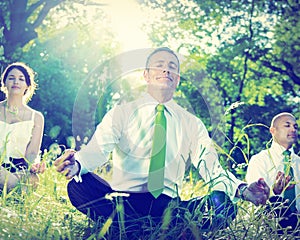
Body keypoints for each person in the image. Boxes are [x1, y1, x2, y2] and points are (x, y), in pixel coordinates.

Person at [55, 47, 269, 237]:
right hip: (124, 201)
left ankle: (135, 229)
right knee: (78, 186)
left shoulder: (192, 123)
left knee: (224, 206)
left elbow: (210, 167)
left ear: (177, 79)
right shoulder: (121, 113)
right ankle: (154, 230)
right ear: (146, 75)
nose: (166, 70)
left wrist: (242, 189)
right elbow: (98, 149)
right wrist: (76, 164)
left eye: (172, 67)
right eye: (159, 65)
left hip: (169, 206)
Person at [246, 112, 299, 233]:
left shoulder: (299, 163)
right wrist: (275, 192)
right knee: (276, 202)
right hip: (268, 226)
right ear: (273, 130)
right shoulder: (259, 160)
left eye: (295, 127)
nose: (293, 129)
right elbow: (256, 200)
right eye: (287, 125)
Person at [0, 62, 45, 192]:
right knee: (20, 185)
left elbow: (32, 153)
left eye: (21, 79)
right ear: (4, 83)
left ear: (27, 86)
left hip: (19, 168)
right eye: (11, 78)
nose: (16, 82)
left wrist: (33, 166)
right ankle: (14, 189)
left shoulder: (36, 117)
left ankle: (10, 188)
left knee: (33, 179)